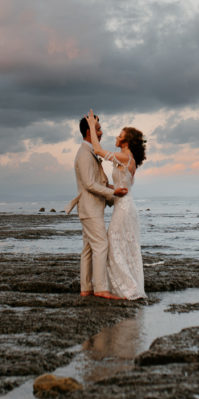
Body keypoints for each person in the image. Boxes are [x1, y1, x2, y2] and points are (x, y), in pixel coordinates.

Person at [86, 109, 147, 301]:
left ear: (126, 142)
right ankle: (125, 287)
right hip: (125, 206)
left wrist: (90, 127)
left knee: (114, 245)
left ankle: (127, 289)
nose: (116, 136)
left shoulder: (124, 157)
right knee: (121, 246)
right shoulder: (130, 160)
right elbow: (122, 185)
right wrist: (108, 188)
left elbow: (97, 151)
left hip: (124, 208)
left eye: (120, 135)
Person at [65, 114, 128, 299]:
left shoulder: (89, 151)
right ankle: (100, 289)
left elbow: (97, 181)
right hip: (90, 209)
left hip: (91, 209)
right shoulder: (84, 154)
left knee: (88, 249)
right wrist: (113, 193)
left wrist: (113, 188)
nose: (101, 132)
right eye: (98, 129)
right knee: (101, 245)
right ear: (88, 132)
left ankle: (86, 288)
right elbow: (90, 184)